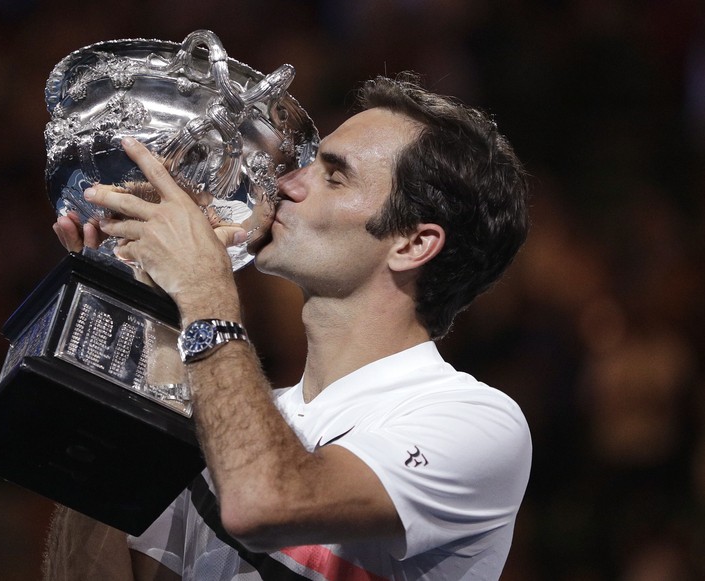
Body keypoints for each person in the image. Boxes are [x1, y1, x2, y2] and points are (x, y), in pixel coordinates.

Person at [45, 72, 531, 580]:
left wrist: (204, 287)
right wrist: (127, 300)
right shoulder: (229, 416)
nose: (285, 184)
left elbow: (261, 503)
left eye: (333, 175)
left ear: (413, 243)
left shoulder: (475, 422)